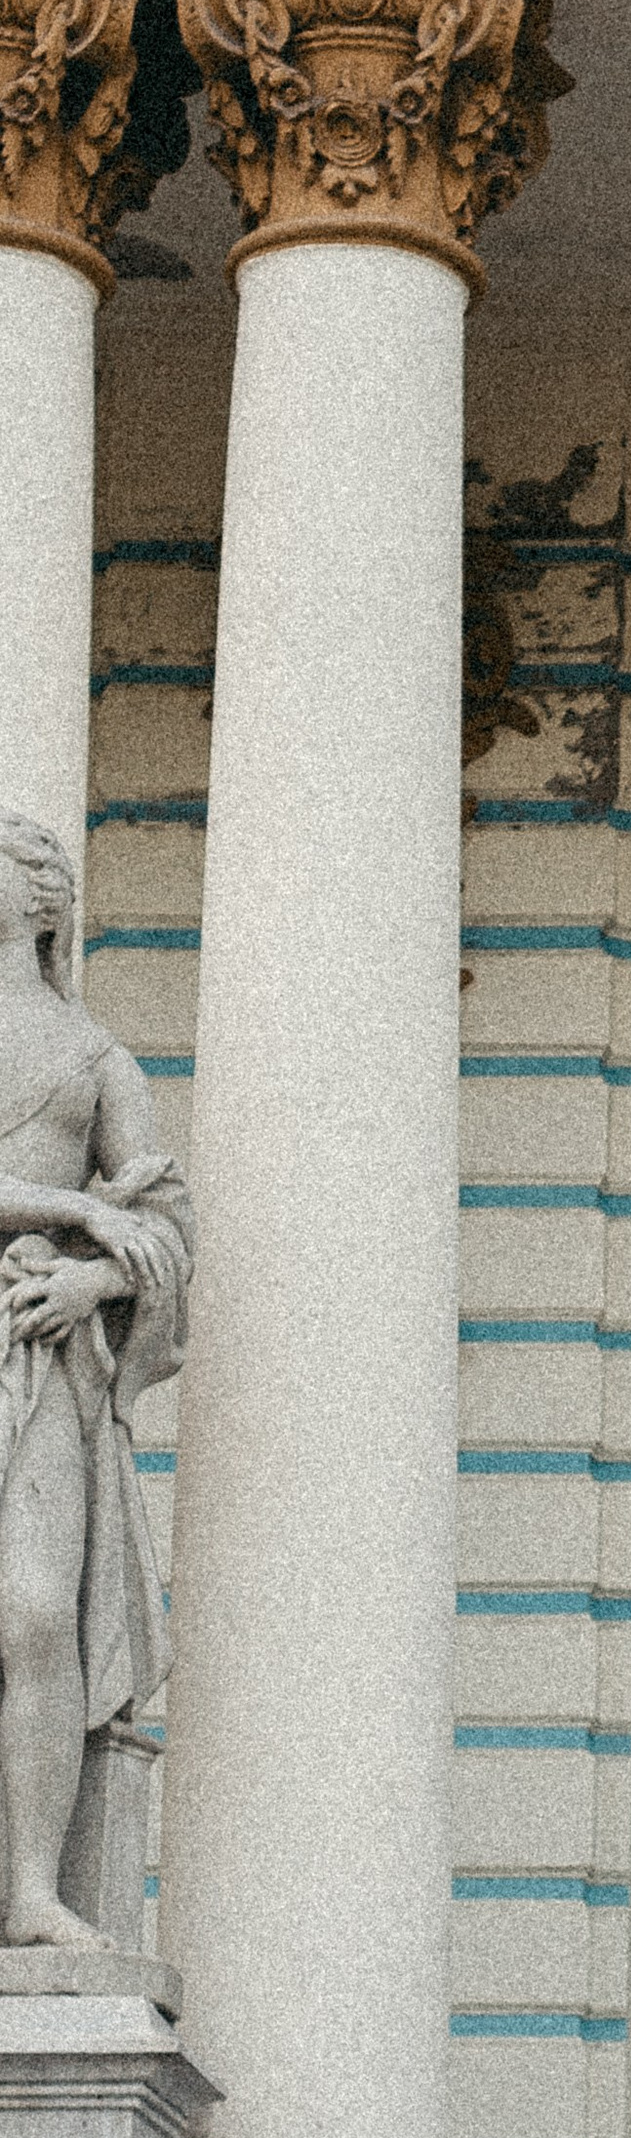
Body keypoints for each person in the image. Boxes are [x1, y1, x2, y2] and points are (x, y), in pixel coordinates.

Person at [0, 814, 190, 1949]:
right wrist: (75, 1211)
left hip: (37, 1353)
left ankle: (28, 1889)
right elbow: (109, 1207)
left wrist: (90, 1289)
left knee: (32, 1615)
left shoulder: (95, 1057)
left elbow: (165, 1220)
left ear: (39, 904)